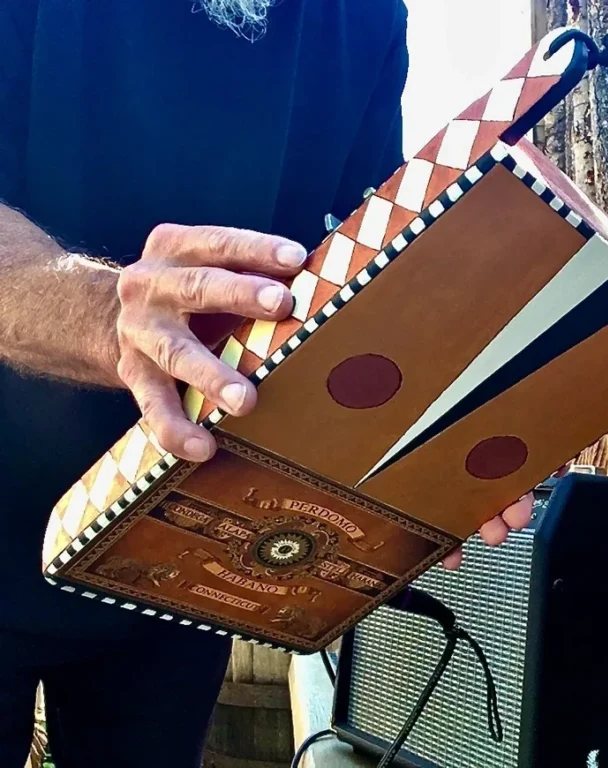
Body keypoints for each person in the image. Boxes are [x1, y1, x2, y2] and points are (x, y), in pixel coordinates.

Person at [0, 2, 534, 766]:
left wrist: (445, 431)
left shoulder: (369, 20)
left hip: (173, 550)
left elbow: (354, 279)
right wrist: (108, 319)